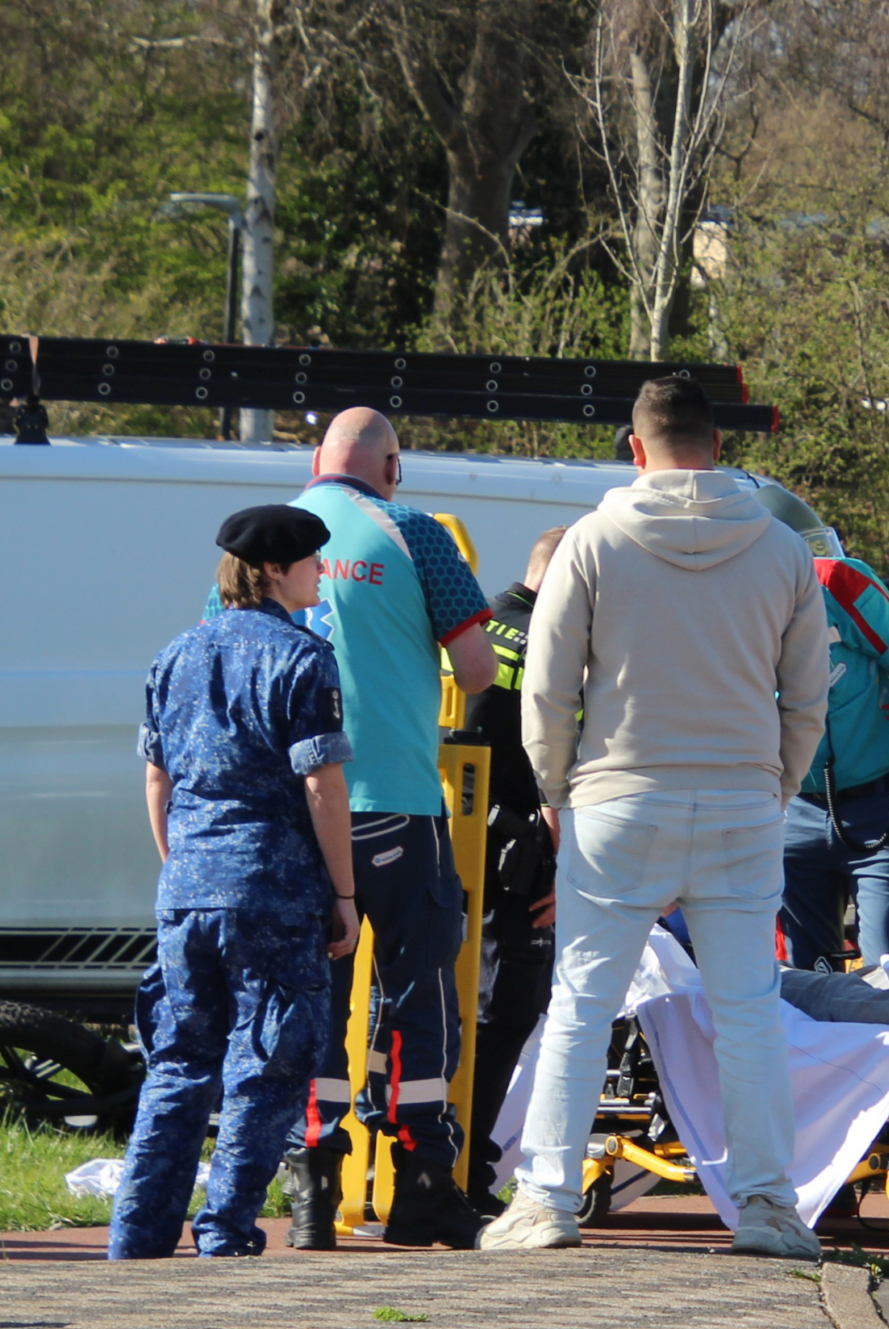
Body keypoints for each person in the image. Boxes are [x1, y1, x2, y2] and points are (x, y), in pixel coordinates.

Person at [480, 376, 830, 1259]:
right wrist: (773, 785)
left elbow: (549, 691)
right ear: (718, 447)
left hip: (615, 799)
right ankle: (768, 1206)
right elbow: (809, 698)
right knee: (748, 1008)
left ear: (635, 451)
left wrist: (560, 796)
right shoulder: (784, 552)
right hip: (743, 799)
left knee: (581, 1004)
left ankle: (546, 1199)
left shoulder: (593, 542)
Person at [272, 408, 498, 1252]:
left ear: (313, 460)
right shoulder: (412, 532)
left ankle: (309, 1192)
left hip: (297, 808)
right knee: (416, 995)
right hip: (397, 796)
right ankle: (423, 1189)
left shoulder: (270, 538)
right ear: (392, 468)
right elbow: (476, 670)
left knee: (312, 997)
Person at [110, 506, 360, 1259]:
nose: (324, 571)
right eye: (315, 561)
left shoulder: (175, 654)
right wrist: (344, 895)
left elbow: (157, 777)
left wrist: (180, 865)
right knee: (268, 1062)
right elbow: (323, 784)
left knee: (178, 1064)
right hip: (272, 891)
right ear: (275, 570)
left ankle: (138, 1237)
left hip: (186, 889)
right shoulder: (304, 658)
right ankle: (224, 1231)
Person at [750, 484, 889, 972]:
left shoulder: (840, 581)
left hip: (880, 808)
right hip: (791, 812)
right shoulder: (734, 609)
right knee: (799, 981)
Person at [458, 527, 567, 1214]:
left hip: (443, 839)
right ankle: (468, 1168)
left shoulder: (468, 628)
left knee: (432, 1011)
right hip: (519, 854)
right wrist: (563, 868)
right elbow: (565, 767)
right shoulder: (560, 647)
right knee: (508, 1010)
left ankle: (412, 1159)